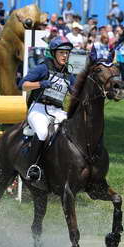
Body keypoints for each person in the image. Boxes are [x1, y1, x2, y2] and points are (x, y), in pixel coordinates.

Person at [17, 36, 75, 182]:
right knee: (42, 132)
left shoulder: (68, 74)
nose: (65, 56)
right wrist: (40, 84)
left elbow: (76, 91)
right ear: (53, 53)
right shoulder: (42, 68)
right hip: (38, 109)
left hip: (58, 111)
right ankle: (33, 167)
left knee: (73, 131)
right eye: (62, 52)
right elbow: (23, 84)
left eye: (67, 53)